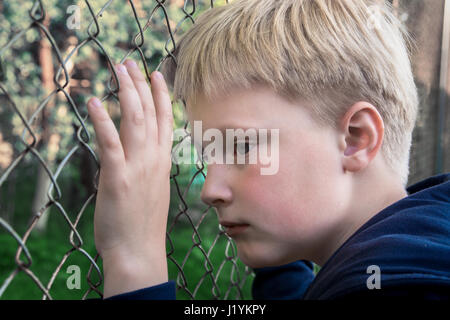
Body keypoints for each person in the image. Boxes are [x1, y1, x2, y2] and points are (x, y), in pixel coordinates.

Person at [86, 0, 450, 300]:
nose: (211, 189)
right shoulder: (418, 240)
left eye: (242, 146)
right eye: (209, 155)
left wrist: (134, 257)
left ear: (356, 138)